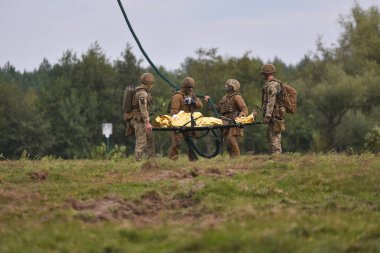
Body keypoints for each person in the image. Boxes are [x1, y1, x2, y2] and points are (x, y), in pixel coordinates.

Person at [205, 79, 248, 157]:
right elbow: (217, 109)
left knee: (231, 138)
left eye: (227, 85)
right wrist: (209, 102)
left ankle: (237, 156)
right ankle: (231, 158)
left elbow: (244, 109)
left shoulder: (237, 97)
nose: (225, 86)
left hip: (233, 121)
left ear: (232, 87)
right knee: (227, 142)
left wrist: (240, 117)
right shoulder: (224, 98)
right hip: (224, 121)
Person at [168, 77, 203, 161]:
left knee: (192, 143)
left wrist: (193, 102)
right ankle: (173, 160)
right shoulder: (177, 96)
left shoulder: (192, 95)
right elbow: (173, 111)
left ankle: (193, 160)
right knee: (177, 143)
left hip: (190, 122)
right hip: (179, 123)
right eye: (189, 87)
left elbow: (200, 105)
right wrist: (176, 120)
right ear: (184, 87)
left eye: (192, 87)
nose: (191, 89)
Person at [125, 73, 155, 161]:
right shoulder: (142, 93)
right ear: (148, 83)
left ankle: (151, 159)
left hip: (140, 118)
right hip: (138, 119)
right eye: (152, 84)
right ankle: (138, 161)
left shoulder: (141, 91)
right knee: (141, 140)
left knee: (150, 137)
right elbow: (143, 108)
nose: (152, 86)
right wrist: (147, 122)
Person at [261, 64, 286, 154]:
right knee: (270, 136)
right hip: (275, 113)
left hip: (275, 115)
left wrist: (267, 115)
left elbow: (271, 101)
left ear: (265, 74)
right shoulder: (274, 84)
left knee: (274, 136)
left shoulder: (272, 85)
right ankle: (273, 157)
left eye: (263, 74)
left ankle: (276, 158)